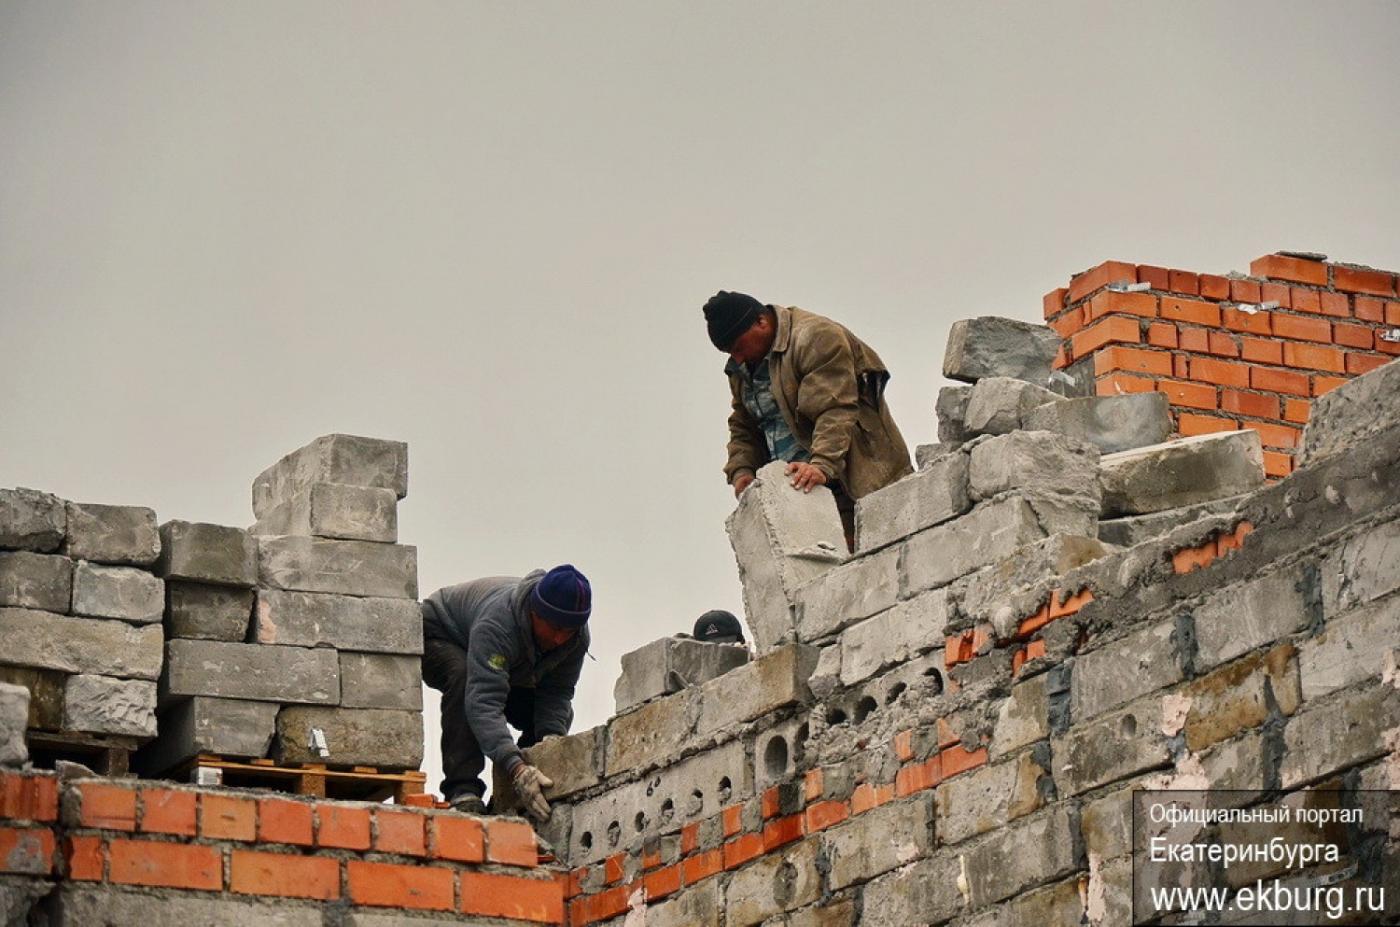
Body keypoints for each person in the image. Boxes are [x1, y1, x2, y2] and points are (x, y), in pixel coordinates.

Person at [703, 290, 914, 548]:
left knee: (867, 565)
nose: (738, 358)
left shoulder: (815, 337)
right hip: (801, 494)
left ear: (762, 322)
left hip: (853, 482)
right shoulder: (742, 368)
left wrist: (821, 465)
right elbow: (744, 425)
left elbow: (835, 409)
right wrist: (742, 470)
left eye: (738, 347)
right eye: (729, 352)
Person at [420, 564, 591, 820]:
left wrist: (550, 744)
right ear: (535, 613)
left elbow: (556, 693)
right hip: (440, 635)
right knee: (464, 676)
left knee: (557, 717)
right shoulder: (499, 624)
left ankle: (515, 794)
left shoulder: (575, 638)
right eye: (555, 629)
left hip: (508, 666)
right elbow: (484, 702)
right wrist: (516, 767)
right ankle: (463, 790)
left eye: (568, 632)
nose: (559, 639)